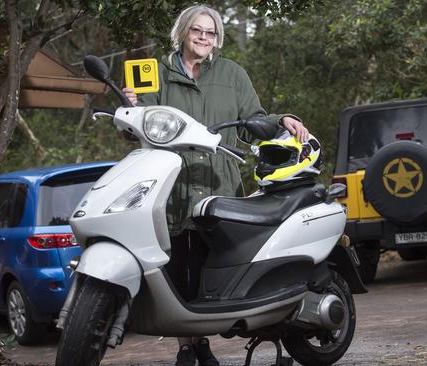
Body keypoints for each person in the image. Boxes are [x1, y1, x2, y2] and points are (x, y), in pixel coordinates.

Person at [123, 4, 308, 366]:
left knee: (212, 267)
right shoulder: (157, 72)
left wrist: (281, 119)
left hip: (220, 184)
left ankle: (203, 342)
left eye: (210, 32)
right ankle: (187, 347)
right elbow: (138, 127)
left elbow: (251, 121)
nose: (204, 38)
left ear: (217, 38)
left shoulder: (233, 74)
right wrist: (130, 107)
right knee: (178, 267)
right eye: (197, 30)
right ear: (183, 32)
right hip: (172, 185)